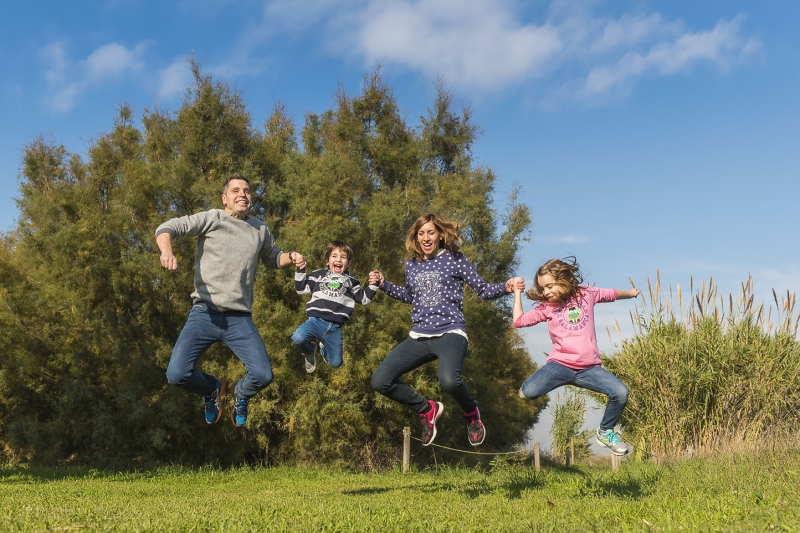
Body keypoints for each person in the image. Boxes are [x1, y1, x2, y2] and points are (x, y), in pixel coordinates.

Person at [156, 173, 305, 428]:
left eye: (246, 191)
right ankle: (212, 389)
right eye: (236, 190)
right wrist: (167, 250)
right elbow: (166, 228)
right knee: (177, 374)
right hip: (204, 313)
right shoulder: (212, 218)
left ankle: (240, 393)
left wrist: (290, 256)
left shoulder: (259, 229)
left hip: (238, 318)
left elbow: (273, 258)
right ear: (225, 198)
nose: (242, 194)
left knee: (262, 375)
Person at [369, 213, 519, 447]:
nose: (426, 238)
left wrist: (506, 287)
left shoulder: (455, 258)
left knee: (449, 381)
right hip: (419, 336)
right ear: (416, 237)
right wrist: (383, 285)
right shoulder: (412, 265)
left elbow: (483, 290)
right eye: (421, 233)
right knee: (380, 380)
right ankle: (426, 409)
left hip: (451, 332)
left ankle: (471, 413)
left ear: (440, 234)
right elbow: (410, 296)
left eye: (430, 232)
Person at [512, 256, 639, 456]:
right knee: (527, 393)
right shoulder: (547, 307)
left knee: (621, 392)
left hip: (589, 369)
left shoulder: (587, 294)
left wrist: (631, 293)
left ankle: (605, 431)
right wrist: (517, 294)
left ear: (564, 279)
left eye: (549, 286)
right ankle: (532, 385)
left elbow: (612, 294)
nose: (546, 292)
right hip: (559, 366)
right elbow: (519, 321)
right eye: (543, 288)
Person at [291, 240, 378, 373]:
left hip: (335, 328)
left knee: (336, 363)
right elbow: (301, 289)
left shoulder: (352, 282)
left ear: (348, 263)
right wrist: (301, 270)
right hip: (315, 321)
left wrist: (374, 285)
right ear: (327, 261)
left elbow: (364, 299)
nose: (338, 260)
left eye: (343, 257)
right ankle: (309, 351)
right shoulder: (318, 275)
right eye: (334, 256)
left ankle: (323, 348)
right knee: (298, 337)